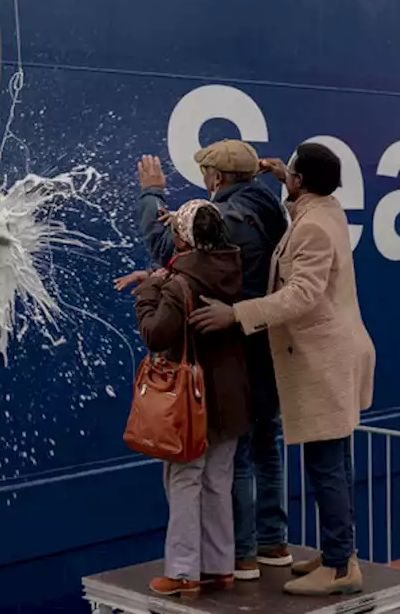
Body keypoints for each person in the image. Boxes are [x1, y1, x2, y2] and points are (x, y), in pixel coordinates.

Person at [190, 143, 375, 596]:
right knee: (334, 461)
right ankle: (340, 551)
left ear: (302, 181)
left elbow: (302, 296)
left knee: (326, 465)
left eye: (290, 169)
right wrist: (284, 179)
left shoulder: (312, 228)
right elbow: (305, 210)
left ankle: (339, 568)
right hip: (335, 352)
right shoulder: (324, 209)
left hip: (322, 361)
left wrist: (237, 314)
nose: (283, 171)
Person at [133, 142, 292, 580]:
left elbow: (165, 249)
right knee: (265, 443)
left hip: (233, 352)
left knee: (230, 460)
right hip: (266, 343)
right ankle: (271, 543)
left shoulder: (225, 226)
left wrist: (151, 196)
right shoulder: (269, 210)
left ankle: (238, 556)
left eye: (205, 174)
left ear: (217, 179)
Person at [115, 199, 252, 596]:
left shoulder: (180, 283)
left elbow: (155, 335)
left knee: (185, 481)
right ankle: (219, 567)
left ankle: (183, 572)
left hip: (192, 402)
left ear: (183, 239)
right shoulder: (232, 267)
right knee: (218, 481)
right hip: (232, 397)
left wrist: (145, 294)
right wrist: (160, 277)